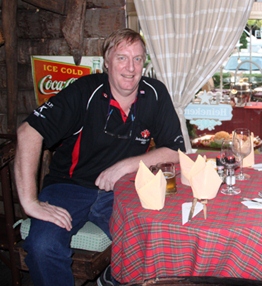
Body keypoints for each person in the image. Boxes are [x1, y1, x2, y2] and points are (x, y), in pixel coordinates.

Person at [14, 28, 185, 286]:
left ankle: (113, 277)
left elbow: (175, 150)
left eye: (138, 59)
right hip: (69, 186)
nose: (130, 68)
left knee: (161, 235)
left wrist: (124, 167)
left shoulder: (155, 93)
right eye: (122, 58)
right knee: (42, 245)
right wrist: (29, 202)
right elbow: (28, 131)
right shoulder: (84, 91)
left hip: (122, 189)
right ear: (107, 61)